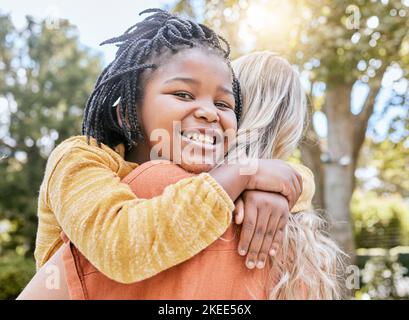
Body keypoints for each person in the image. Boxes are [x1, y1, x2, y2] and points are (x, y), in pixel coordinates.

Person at [29, 8, 312, 291]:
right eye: (183, 94)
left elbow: (292, 178)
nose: (209, 113)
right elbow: (123, 248)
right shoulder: (80, 159)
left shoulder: (203, 172)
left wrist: (274, 188)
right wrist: (244, 174)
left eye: (223, 104)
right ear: (127, 112)